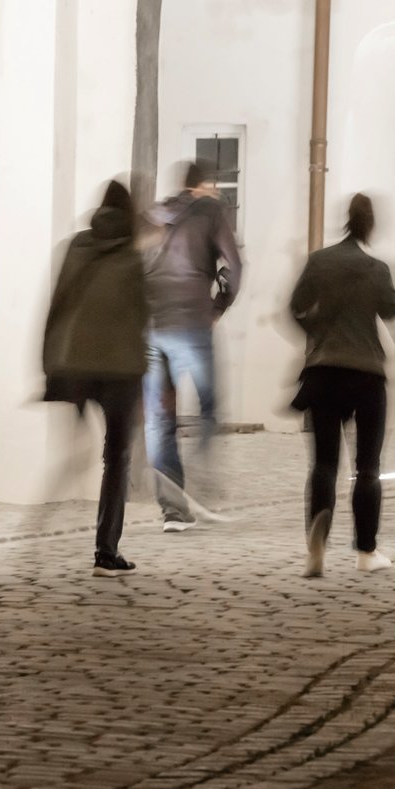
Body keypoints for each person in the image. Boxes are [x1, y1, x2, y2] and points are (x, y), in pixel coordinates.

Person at [287, 193, 395, 577]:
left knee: (323, 463)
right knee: (367, 467)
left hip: (323, 373)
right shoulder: (377, 270)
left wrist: (317, 333)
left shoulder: (319, 262)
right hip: (366, 375)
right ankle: (366, 551)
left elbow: (294, 306)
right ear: (370, 226)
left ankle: (316, 546)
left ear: (345, 220)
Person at [42, 180, 151, 578]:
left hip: (75, 365)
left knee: (77, 450)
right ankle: (106, 551)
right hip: (121, 371)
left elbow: (58, 304)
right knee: (117, 460)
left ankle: (43, 516)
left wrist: (49, 365)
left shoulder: (76, 247)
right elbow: (145, 315)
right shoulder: (137, 256)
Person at [141, 158, 243, 532]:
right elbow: (234, 265)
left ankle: (173, 510)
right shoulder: (211, 211)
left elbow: (136, 268)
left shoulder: (154, 214)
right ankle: (200, 480)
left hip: (152, 330)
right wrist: (218, 306)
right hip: (192, 325)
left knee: (159, 418)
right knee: (209, 407)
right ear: (204, 186)